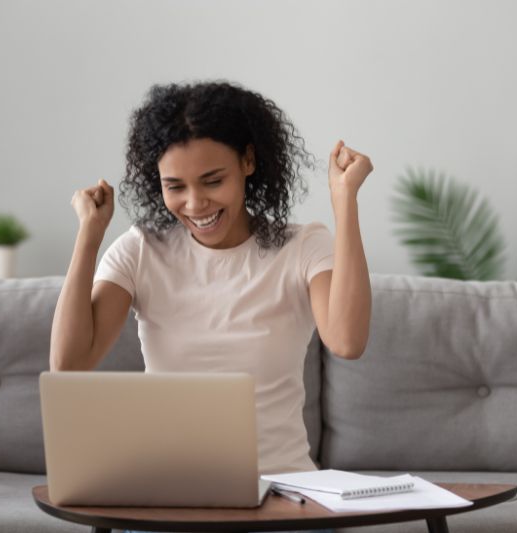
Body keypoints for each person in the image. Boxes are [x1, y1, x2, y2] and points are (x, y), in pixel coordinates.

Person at [50, 80, 372, 521]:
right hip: (168, 496)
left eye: (212, 180)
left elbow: (348, 340)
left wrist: (344, 200)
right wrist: (89, 235)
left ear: (249, 161)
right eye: (174, 186)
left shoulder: (301, 247)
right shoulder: (141, 251)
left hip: (286, 495)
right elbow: (68, 366)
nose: (195, 203)